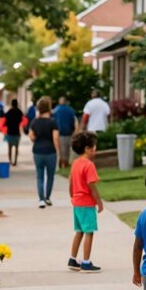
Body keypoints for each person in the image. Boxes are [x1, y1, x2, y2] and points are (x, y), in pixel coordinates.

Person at [68, 131, 104, 273]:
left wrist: (72, 197)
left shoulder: (75, 163)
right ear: (87, 149)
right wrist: (99, 202)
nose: (95, 151)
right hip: (87, 203)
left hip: (77, 202)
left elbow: (71, 183)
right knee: (89, 232)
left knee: (79, 231)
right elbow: (91, 186)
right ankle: (86, 263)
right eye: (94, 148)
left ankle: (72, 259)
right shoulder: (88, 165)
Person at [29, 96, 60, 209]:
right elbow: (55, 138)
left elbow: (31, 137)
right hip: (50, 151)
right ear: (49, 107)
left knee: (40, 176)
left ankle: (41, 199)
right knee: (50, 176)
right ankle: (47, 197)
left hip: (37, 151)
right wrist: (58, 151)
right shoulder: (53, 122)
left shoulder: (34, 122)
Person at [53, 96, 79, 169]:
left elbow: (53, 122)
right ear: (66, 102)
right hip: (69, 133)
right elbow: (74, 121)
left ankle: (62, 165)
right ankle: (66, 165)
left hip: (59, 133)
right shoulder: (70, 110)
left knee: (61, 150)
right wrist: (74, 131)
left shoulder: (55, 111)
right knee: (68, 150)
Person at [3, 98, 24, 167]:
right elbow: (21, 120)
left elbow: (5, 122)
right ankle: (15, 161)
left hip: (10, 132)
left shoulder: (9, 112)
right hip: (17, 132)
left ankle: (10, 161)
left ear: (12, 104)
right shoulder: (19, 112)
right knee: (17, 148)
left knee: (10, 148)